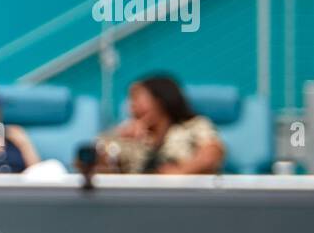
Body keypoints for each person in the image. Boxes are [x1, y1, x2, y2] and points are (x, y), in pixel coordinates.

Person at [95, 74, 226, 174]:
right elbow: (99, 165)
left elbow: (212, 155)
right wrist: (116, 136)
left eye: (136, 99)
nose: (131, 106)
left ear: (159, 101)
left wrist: (180, 172)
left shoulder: (193, 126)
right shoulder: (131, 137)